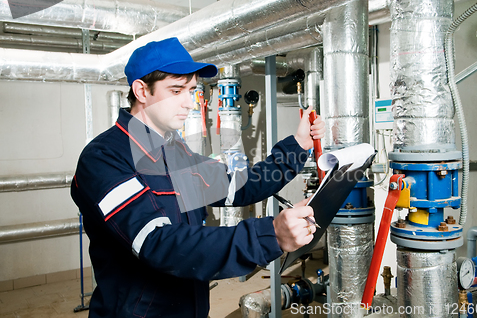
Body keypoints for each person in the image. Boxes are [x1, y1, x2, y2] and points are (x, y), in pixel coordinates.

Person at [71, 37, 326, 318]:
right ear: (142, 91)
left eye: (191, 90)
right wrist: (270, 235)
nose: (189, 103)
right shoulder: (103, 158)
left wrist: (297, 146)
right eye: (176, 90)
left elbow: (239, 186)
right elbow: (158, 243)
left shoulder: (174, 153)